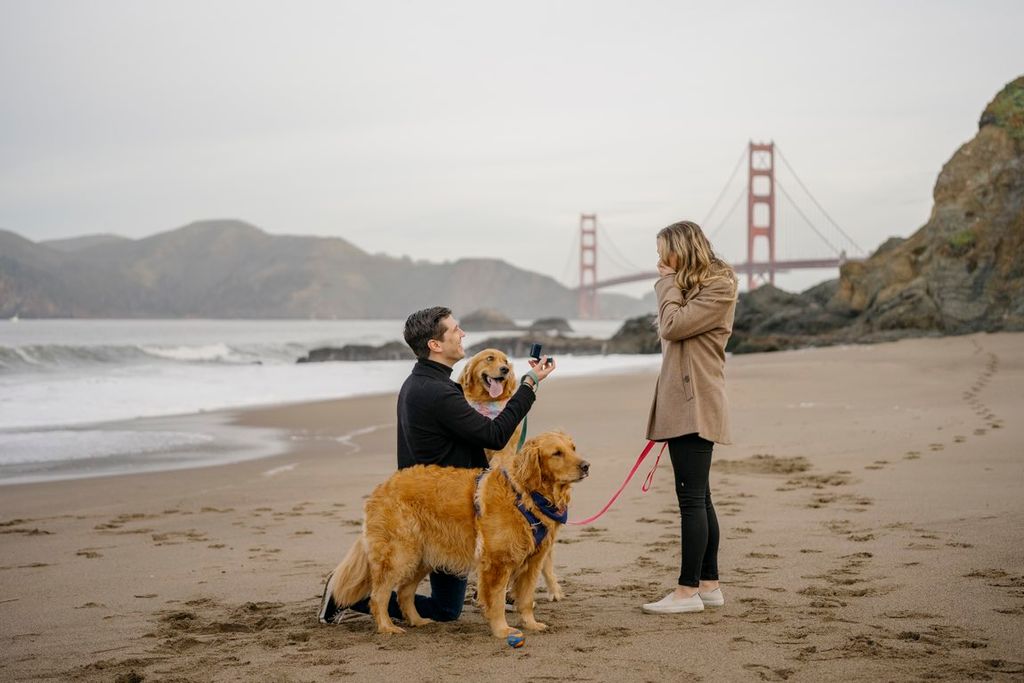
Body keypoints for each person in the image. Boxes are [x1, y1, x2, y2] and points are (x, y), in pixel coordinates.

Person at [318, 305, 555, 624]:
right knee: (445, 610)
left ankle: (351, 588)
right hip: (440, 510)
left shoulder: (421, 384)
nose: (462, 334)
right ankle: (345, 596)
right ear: (435, 345)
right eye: (455, 330)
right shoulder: (439, 392)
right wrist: (528, 386)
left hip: (437, 499)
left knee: (442, 583)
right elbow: (494, 435)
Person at [641, 221, 737, 615]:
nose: (660, 261)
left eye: (665, 251)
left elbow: (672, 326)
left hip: (695, 401)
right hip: (687, 398)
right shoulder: (696, 286)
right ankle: (709, 584)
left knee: (691, 498)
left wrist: (665, 285)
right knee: (700, 495)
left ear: (682, 250)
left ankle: (687, 591)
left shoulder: (718, 286)